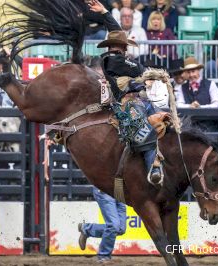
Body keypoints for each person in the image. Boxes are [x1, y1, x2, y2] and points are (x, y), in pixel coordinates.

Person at [98, 30, 162, 183]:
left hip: (131, 101)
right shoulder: (113, 60)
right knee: (147, 132)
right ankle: (153, 168)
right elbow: (139, 69)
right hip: (126, 104)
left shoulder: (110, 60)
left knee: (159, 121)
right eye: (123, 46)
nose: (124, 50)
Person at [78, 186, 127, 263]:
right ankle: (104, 256)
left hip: (119, 191)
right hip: (105, 189)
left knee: (120, 229)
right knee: (113, 226)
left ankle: (87, 229)